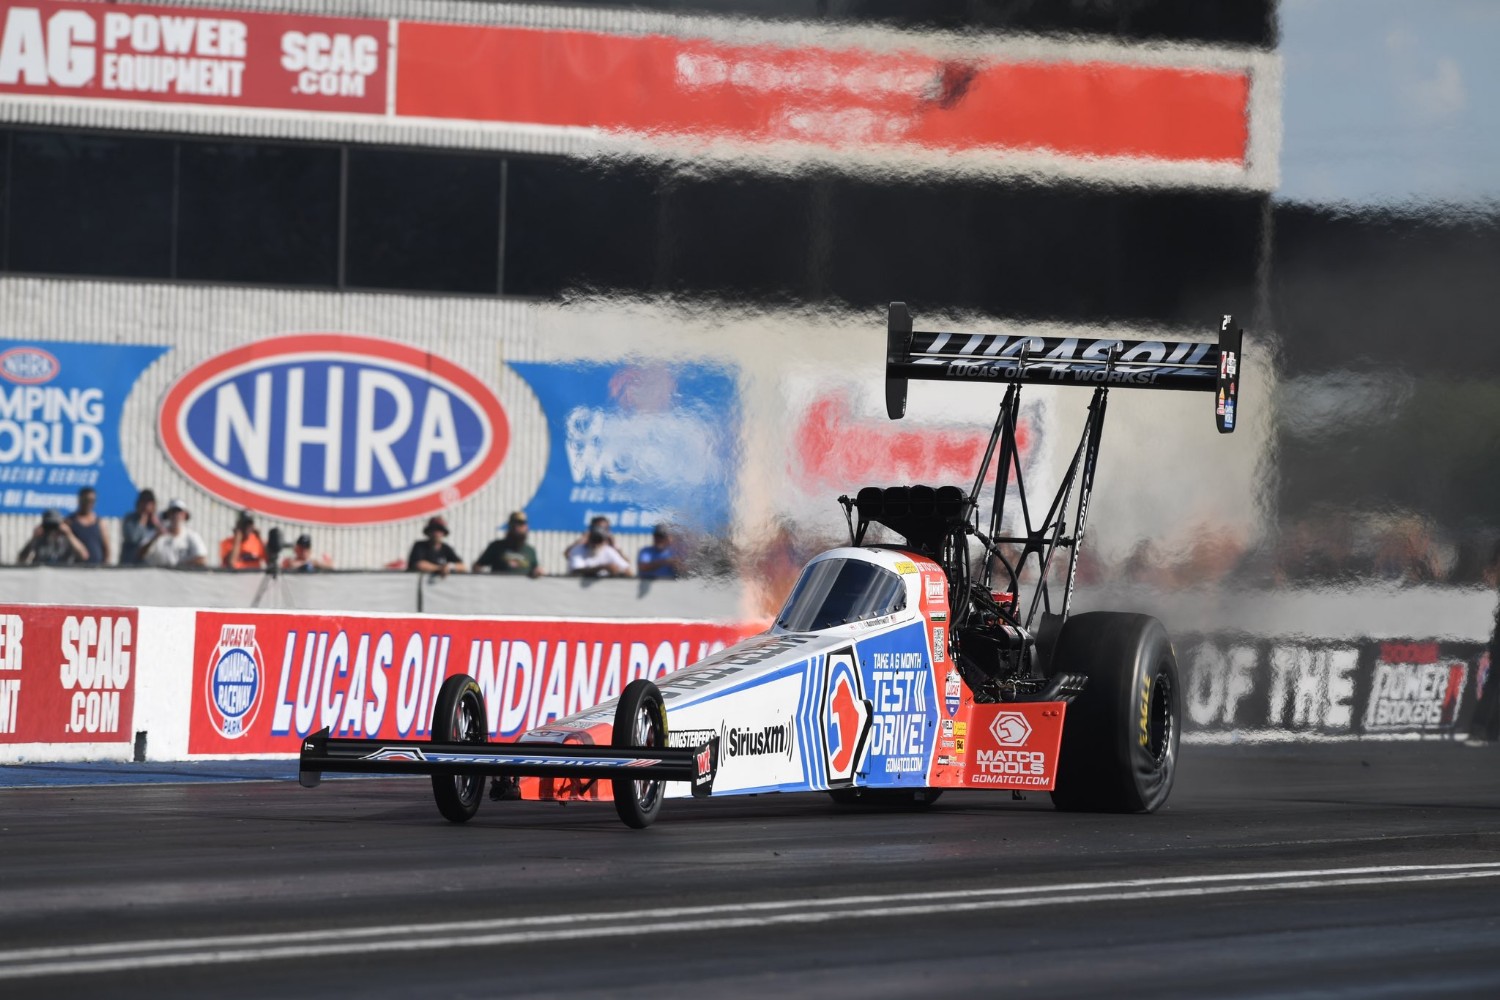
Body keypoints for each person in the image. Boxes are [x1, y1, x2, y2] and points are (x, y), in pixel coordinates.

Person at [139, 499, 207, 568]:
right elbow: (140, 555)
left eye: (179, 512)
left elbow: (201, 559)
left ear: (185, 515)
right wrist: (155, 538)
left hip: (184, 577)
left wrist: (179, 567)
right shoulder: (157, 534)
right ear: (168, 514)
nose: (176, 515)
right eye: (173, 512)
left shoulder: (192, 536)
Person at [474, 511, 542, 577]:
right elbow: (477, 567)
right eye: (514, 524)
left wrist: (538, 572)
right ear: (509, 526)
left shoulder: (530, 550)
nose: (517, 527)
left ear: (526, 527)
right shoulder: (496, 546)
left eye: (521, 524)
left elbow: (536, 569)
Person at [565, 515, 631, 578]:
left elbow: (627, 569)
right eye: (597, 528)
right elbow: (575, 570)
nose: (599, 531)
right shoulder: (578, 549)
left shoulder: (609, 550)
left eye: (604, 529)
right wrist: (603, 567)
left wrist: (617, 571)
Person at [18, 508, 87, 565]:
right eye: (49, 526)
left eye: (55, 526)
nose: (52, 529)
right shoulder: (39, 539)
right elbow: (21, 559)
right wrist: (33, 538)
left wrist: (69, 534)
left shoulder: (68, 540)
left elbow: (84, 556)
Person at [65, 486, 109, 565]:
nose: (89, 503)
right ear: (80, 500)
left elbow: (106, 547)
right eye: (86, 500)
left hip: (97, 567)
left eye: (92, 501)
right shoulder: (70, 521)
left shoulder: (99, 522)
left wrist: (106, 564)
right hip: (75, 568)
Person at [119, 489, 160, 566]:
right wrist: (142, 521)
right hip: (130, 564)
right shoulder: (130, 519)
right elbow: (133, 538)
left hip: (149, 565)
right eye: (143, 503)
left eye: (148, 503)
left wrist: (156, 524)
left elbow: (165, 536)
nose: (145, 506)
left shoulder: (157, 521)